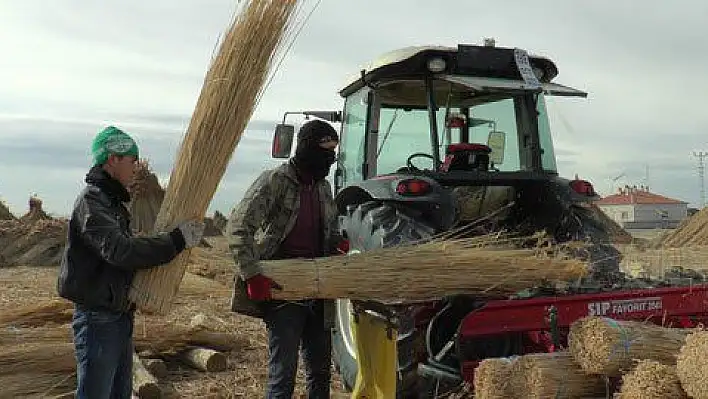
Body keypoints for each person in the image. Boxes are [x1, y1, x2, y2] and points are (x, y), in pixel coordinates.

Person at [57, 125, 205, 399]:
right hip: (98, 319)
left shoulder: (112, 202)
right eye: (131, 160)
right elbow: (121, 251)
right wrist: (174, 241)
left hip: (118, 315)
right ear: (112, 159)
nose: (135, 167)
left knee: (118, 393)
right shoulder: (92, 201)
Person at [227, 119, 344, 399]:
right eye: (324, 151)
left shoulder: (323, 188)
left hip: (320, 289)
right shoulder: (275, 182)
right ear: (306, 149)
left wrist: (339, 246)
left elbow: (329, 232)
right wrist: (252, 274)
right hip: (283, 290)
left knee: (320, 373)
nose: (329, 159)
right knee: (284, 374)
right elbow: (237, 228)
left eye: (333, 153)